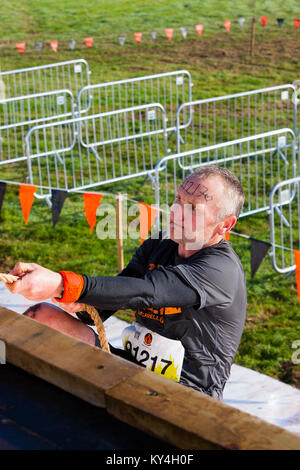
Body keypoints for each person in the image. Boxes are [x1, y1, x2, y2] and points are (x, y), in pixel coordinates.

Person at [6, 166, 247, 400]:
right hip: (132, 367)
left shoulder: (220, 269)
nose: (176, 211)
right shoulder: (159, 244)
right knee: (41, 318)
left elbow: (149, 291)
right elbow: (112, 300)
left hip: (186, 396)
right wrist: (80, 302)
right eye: (178, 198)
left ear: (224, 225)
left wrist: (63, 283)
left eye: (193, 208)